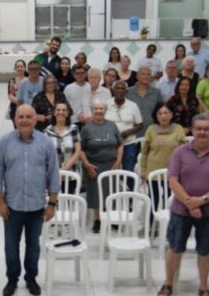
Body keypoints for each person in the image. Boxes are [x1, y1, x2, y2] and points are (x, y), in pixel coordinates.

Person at [158, 113, 209, 296]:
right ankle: (168, 283)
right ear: (192, 129)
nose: (202, 132)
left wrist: (202, 200)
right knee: (175, 247)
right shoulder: (180, 152)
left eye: (207, 129)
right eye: (198, 128)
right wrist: (190, 203)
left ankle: (204, 287)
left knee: (205, 251)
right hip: (181, 209)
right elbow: (173, 180)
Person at [0, 105, 60, 296]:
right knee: (11, 246)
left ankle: (31, 278)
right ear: (14, 119)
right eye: (20, 116)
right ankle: (12, 280)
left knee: (33, 246)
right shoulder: (4, 142)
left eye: (28, 117)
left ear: (35, 119)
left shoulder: (46, 143)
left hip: (37, 205)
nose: (24, 120)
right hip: (12, 206)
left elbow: (54, 173)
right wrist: (0, 202)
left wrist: (52, 203)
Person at [79, 100, 124, 233]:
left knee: (112, 192)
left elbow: (120, 144)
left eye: (101, 108)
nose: (98, 111)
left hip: (112, 165)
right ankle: (98, 220)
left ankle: (112, 218)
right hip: (94, 166)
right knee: (95, 194)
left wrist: (118, 161)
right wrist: (87, 165)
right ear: (92, 111)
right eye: (96, 109)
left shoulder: (112, 125)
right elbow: (80, 149)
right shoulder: (86, 128)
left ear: (105, 110)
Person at [141, 103, 187, 202]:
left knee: (169, 198)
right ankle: (151, 217)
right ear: (156, 115)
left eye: (166, 113)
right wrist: (143, 169)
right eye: (160, 113)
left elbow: (185, 151)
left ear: (172, 114)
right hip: (153, 170)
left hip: (172, 171)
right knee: (153, 198)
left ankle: (168, 217)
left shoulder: (178, 128)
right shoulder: (150, 129)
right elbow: (144, 152)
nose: (163, 116)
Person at [106, 81, 145, 182]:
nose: (119, 90)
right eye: (117, 88)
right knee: (112, 172)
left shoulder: (133, 106)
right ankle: (112, 196)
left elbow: (140, 124)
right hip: (110, 144)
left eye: (122, 88)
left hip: (129, 143)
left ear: (126, 91)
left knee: (129, 172)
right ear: (113, 90)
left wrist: (126, 133)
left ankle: (129, 196)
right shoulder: (106, 104)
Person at [44, 103, 81, 174]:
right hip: (53, 173)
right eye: (58, 110)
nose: (61, 112)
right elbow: (46, 154)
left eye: (64, 110)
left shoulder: (74, 129)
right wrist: (57, 170)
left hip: (71, 173)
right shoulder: (47, 131)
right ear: (54, 113)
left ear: (67, 113)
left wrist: (66, 168)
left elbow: (77, 151)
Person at [127, 67, 162, 136]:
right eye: (143, 74)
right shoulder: (128, 92)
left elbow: (160, 111)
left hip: (152, 133)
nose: (146, 76)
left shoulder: (156, 92)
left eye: (148, 74)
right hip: (132, 133)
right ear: (137, 76)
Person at [6, 59, 28, 124]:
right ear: (15, 68)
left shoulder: (29, 81)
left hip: (27, 107)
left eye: (21, 66)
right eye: (18, 67)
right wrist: (19, 103)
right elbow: (10, 95)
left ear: (24, 68)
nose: (20, 68)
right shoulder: (12, 81)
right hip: (14, 107)